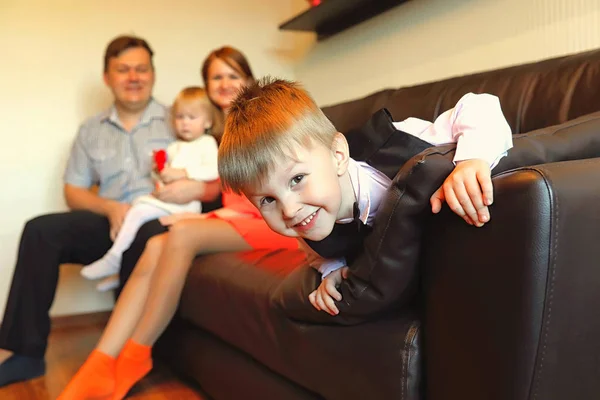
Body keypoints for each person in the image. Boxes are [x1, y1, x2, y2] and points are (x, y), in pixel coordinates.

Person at [58, 46, 299, 400]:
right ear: (206, 86)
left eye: (233, 75)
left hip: (272, 219)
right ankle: (101, 358)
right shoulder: (214, 131)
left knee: (182, 233)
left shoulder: (262, 117)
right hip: (238, 216)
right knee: (158, 242)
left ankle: (137, 353)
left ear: (248, 78)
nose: (225, 83)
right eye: (216, 77)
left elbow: (273, 183)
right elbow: (221, 187)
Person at [0, 35, 220, 388]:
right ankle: (24, 353)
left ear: (152, 74)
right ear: (107, 77)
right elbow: (73, 190)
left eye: (141, 69)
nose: (133, 77)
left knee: (150, 233)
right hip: (109, 220)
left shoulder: (178, 119)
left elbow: (210, 175)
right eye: (123, 69)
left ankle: (124, 355)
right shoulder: (91, 130)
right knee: (40, 230)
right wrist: (109, 207)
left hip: (155, 218)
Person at [218, 77, 514, 317]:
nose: (290, 210)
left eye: (297, 179)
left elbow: (480, 106)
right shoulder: (308, 219)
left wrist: (472, 160)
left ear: (337, 156)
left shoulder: (400, 147)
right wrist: (331, 269)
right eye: (267, 200)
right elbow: (312, 251)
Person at [80, 87, 219, 291]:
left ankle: (114, 258)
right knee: (137, 208)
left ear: (207, 122)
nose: (185, 122)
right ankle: (121, 270)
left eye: (192, 117)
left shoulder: (207, 143)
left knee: (139, 211)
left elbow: (214, 170)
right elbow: (164, 176)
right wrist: (158, 171)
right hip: (167, 201)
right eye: (180, 117)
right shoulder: (174, 147)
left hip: (186, 206)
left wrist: (184, 173)